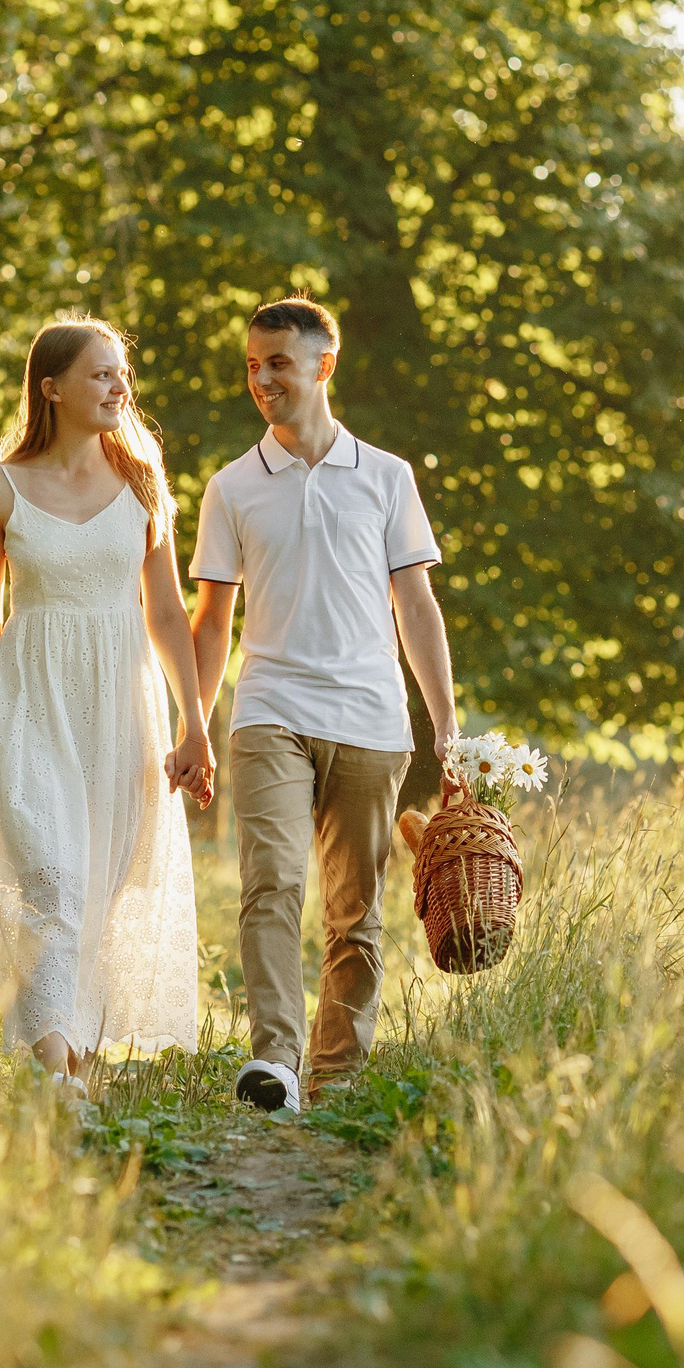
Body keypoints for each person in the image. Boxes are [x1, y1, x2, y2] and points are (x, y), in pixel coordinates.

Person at [189, 296, 458, 1113]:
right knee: (270, 882)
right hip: (269, 707)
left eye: (277, 362)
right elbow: (212, 621)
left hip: (371, 718)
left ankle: (336, 1078)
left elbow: (416, 605)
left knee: (356, 911)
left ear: (323, 365)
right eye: (251, 364)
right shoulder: (232, 487)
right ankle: (275, 1060)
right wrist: (194, 724)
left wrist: (446, 723)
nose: (261, 378)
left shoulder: (387, 477)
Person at [0, 316, 215, 1091]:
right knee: (53, 885)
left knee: (102, 891)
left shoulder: (142, 481)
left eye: (121, 373)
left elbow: (168, 614)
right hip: (29, 706)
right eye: (101, 373)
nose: (119, 386)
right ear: (52, 388)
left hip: (121, 708)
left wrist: (196, 723)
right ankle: (55, 1072)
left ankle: (77, 1060)